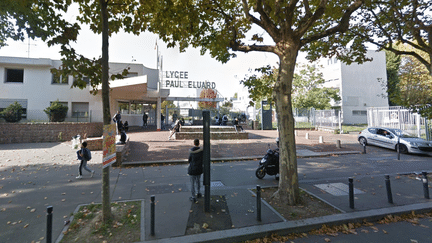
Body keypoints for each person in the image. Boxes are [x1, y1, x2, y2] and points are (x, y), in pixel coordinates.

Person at [188, 138, 203, 203]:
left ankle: (193, 196)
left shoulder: (191, 151)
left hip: (192, 169)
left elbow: (189, 160)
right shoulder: (201, 151)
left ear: (194, 143)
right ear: (199, 143)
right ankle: (199, 192)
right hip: (199, 168)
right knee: (198, 181)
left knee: (192, 183)